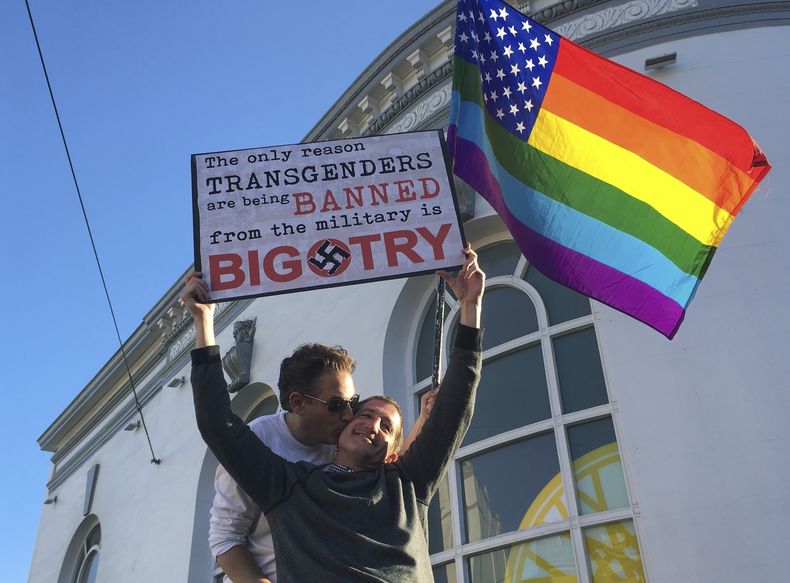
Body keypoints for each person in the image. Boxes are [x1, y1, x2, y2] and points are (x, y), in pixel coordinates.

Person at [187, 245, 484, 582]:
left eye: (386, 426)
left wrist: (470, 309)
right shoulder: (290, 485)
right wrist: (203, 321)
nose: (370, 423)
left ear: (392, 455)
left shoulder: (406, 486)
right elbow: (218, 425)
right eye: (362, 414)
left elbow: (457, 406)